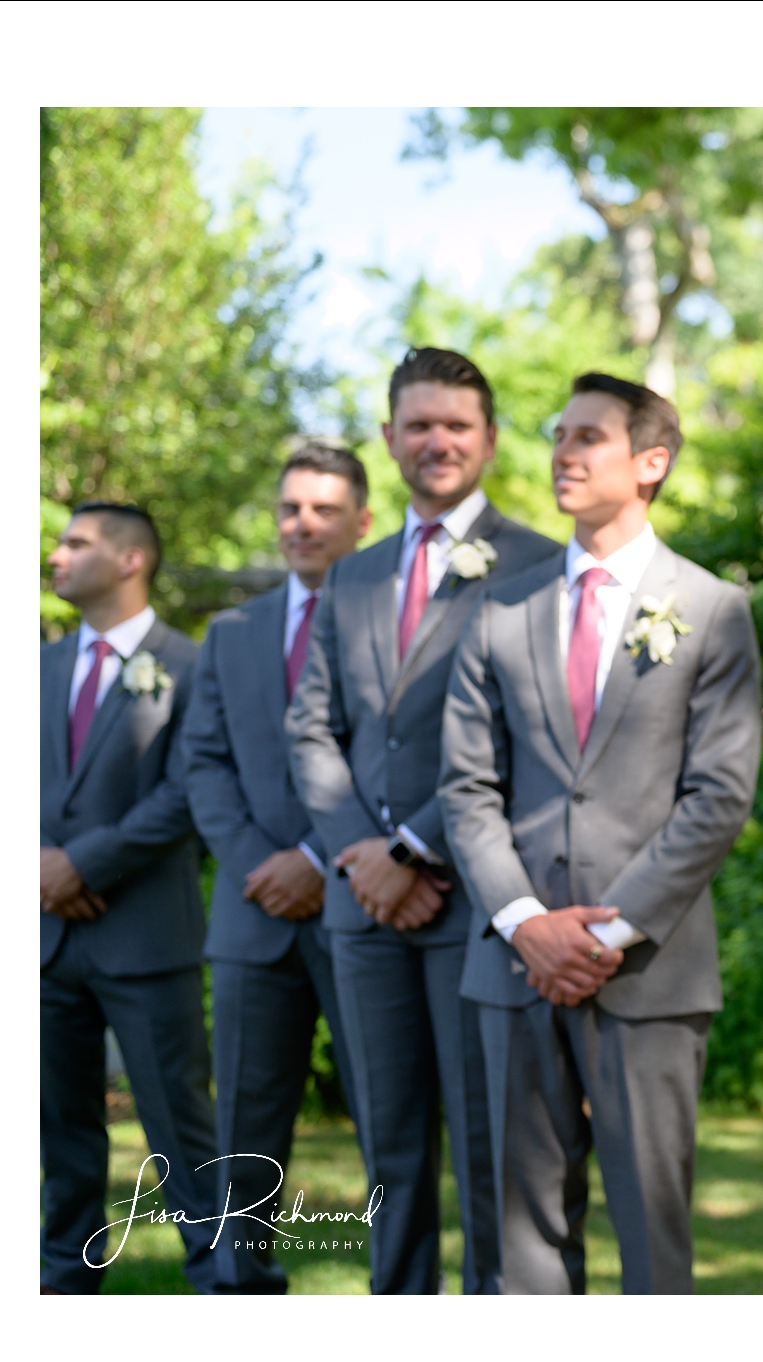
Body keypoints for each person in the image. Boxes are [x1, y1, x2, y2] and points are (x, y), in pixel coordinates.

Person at [441, 373, 761, 1294]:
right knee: (521, 1237)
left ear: (650, 461)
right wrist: (525, 923)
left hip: (650, 969)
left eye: (591, 437)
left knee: (652, 1236)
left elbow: (718, 795)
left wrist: (604, 932)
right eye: (558, 434)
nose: (564, 453)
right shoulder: (498, 611)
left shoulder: (710, 609)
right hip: (514, 964)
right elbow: (467, 788)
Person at [287, 348, 558, 1294]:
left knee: (492, 1146)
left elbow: (532, 737)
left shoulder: (539, 566)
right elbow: (313, 727)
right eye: (418, 424)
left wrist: (415, 849)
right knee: (387, 1149)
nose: (436, 441)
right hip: (362, 909)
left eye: (456, 425)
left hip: (476, 902)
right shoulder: (352, 576)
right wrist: (363, 856)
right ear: (391, 436)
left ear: (487, 439)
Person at [181, 443, 373, 1293]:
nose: (304, 523)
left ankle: (403, 1287)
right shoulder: (232, 632)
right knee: (245, 1119)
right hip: (253, 908)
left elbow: (403, 760)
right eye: (291, 507)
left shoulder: (394, 620)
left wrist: (317, 857)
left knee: (387, 1113)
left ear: (362, 522)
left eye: (324, 509)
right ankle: (238, 1281)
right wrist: (266, 863)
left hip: (369, 903)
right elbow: (203, 764)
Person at [40, 502, 219, 1293]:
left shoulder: (191, 664)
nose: (57, 555)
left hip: (145, 939)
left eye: (75, 543)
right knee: (61, 1135)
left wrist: (82, 864)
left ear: (130, 559)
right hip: (44, 939)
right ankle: (62, 1291)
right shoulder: (34, 666)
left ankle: (226, 1282)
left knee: (181, 1132)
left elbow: (190, 791)